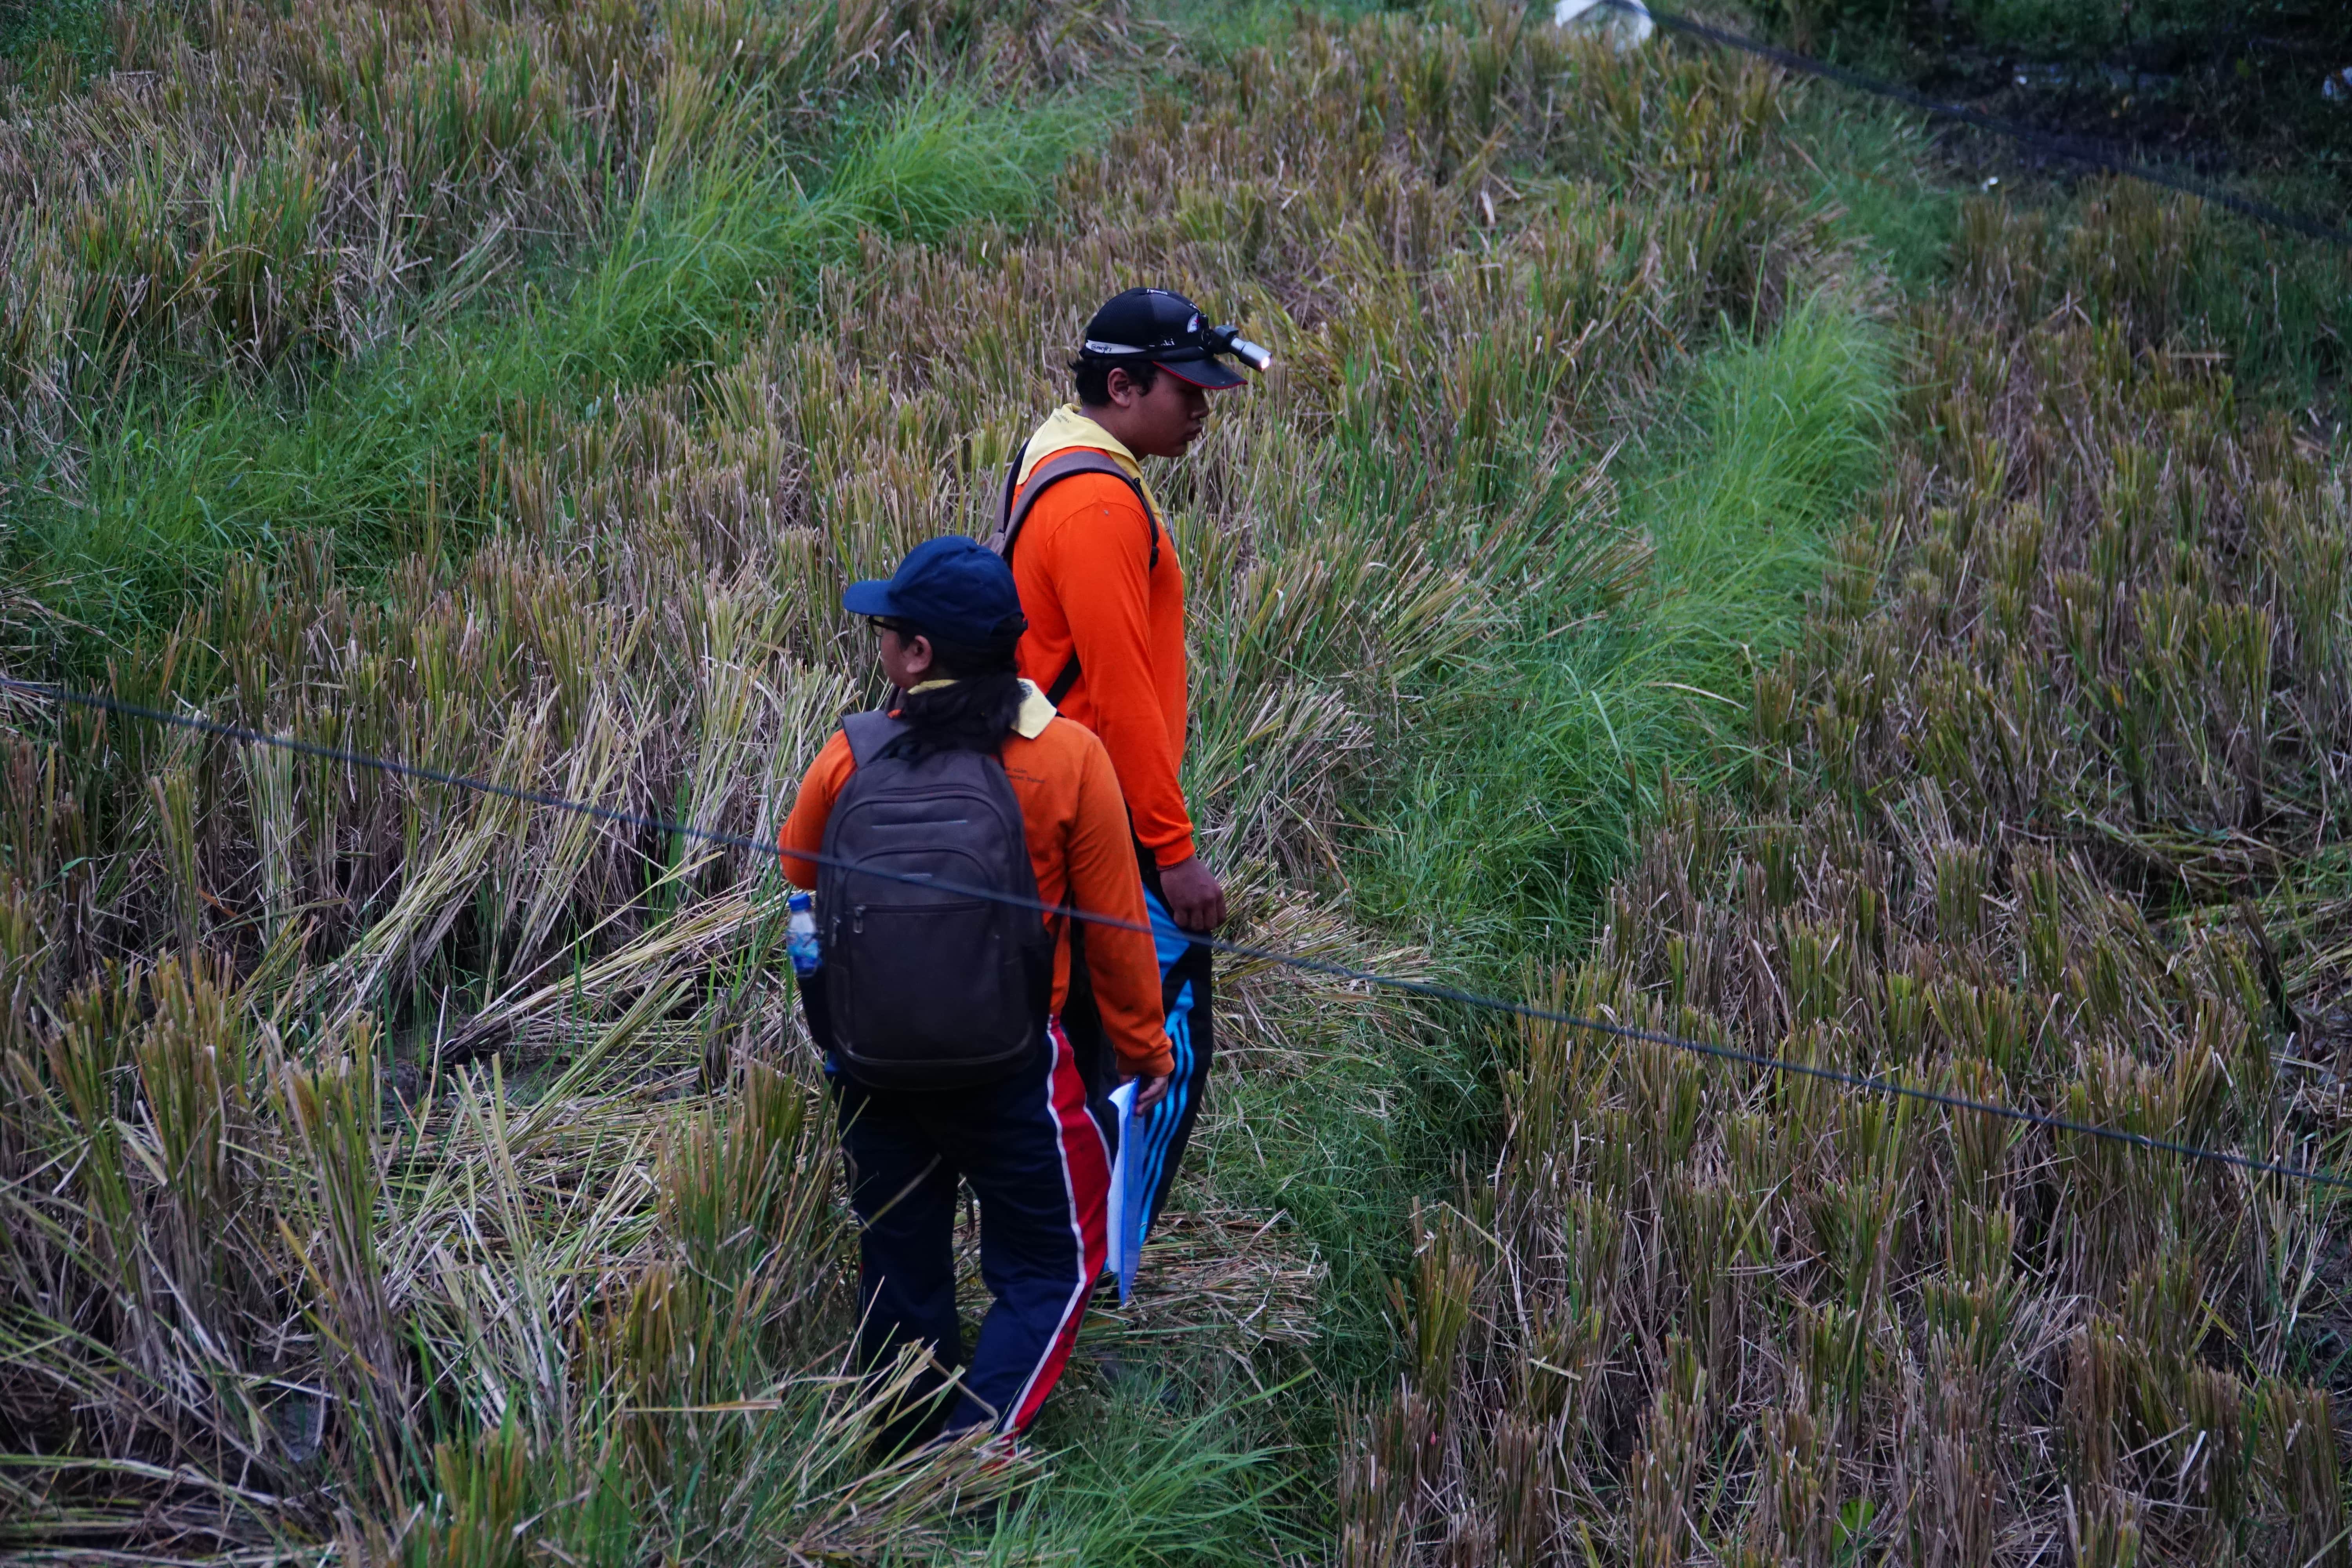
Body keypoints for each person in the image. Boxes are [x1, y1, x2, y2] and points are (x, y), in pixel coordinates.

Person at [778, 536, 1172, 1446]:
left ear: (918, 656)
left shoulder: (851, 757)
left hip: (874, 1068)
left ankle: (900, 1441)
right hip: (1013, 1070)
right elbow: (1116, 929)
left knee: (902, 1262)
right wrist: (1146, 1049)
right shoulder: (1070, 758)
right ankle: (977, 1441)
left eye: (887, 630)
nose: (879, 644)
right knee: (1057, 1262)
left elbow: (799, 871)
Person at [990, 287, 1255, 1247]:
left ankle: (1075, 1239)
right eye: (1186, 389)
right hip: (1104, 822)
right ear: (1122, 385)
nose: (1203, 408)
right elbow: (1123, 693)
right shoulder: (1100, 503)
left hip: (1055, 808)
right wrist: (1172, 853)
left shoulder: (1053, 450)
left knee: (1087, 1039)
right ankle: (1103, 1259)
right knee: (1164, 1050)